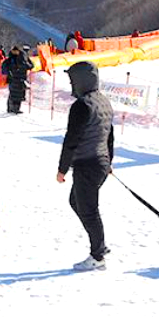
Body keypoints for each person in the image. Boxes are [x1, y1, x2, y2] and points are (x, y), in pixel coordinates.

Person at [56, 61, 114, 271]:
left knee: (88, 210)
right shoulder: (103, 101)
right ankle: (99, 243)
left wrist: (62, 169)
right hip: (99, 162)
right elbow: (110, 136)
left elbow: (71, 139)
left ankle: (98, 255)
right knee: (76, 201)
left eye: (72, 79)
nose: (71, 84)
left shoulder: (82, 105)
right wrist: (108, 161)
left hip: (87, 164)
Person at [1, 46, 33, 114]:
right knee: (18, 94)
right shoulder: (23, 61)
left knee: (13, 94)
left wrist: (8, 73)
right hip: (20, 80)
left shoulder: (10, 60)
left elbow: (3, 68)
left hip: (13, 79)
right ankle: (15, 109)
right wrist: (28, 59)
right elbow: (31, 66)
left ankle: (11, 108)